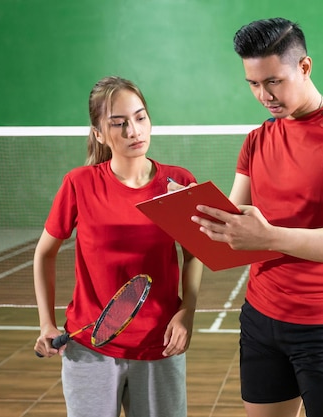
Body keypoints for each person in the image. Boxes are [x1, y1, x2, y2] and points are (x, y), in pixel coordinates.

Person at [190, 18, 323, 417]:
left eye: (273, 81)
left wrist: (269, 237)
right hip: (260, 320)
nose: (263, 94)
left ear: (304, 67)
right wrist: (187, 213)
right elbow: (232, 226)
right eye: (252, 83)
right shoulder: (256, 139)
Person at [33, 76, 203, 417]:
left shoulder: (178, 183)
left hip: (159, 344)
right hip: (89, 348)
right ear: (99, 133)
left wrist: (188, 311)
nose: (133, 131)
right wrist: (46, 323)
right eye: (119, 123)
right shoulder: (79, 184)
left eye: (140, 118)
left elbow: (194, 252)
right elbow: (44, 253)